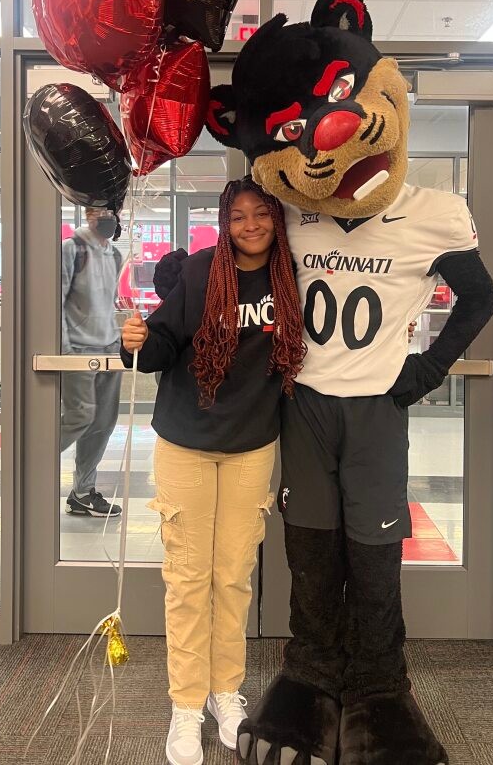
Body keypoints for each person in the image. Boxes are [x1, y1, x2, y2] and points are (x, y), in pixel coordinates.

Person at [120, 177, 305, 765]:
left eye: (260, 215)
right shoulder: (202, 272)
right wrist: (136, 340)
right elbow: (162, 345)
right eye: (238, 217)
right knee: (188, 580)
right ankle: (185, 705)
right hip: (187, 443)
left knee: (232, 579)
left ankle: (226, 692)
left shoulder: (291, 278)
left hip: (252, 447)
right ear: (225, 224)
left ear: (277, 219)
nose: (249, 225)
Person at [60, 207, 124, 517]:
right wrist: (65, 352)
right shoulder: (71, 249)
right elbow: (54, 303)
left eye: (112, 210)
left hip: (110, 349)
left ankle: (83, 493)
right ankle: (28, 468)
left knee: (103, 423)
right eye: (100, 210)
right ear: (87, 214)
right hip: (79, 352)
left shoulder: (114, 255)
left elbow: (107, 302)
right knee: (79, 418)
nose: (108, 216)